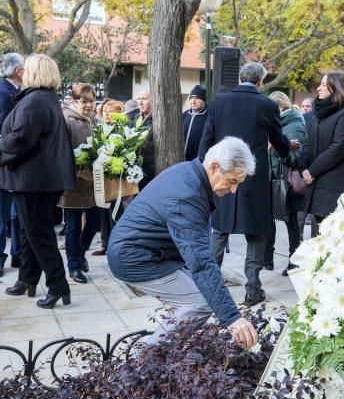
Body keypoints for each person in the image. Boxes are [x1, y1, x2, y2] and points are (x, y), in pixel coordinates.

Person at [108, 137, 259, 348]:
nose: (234, 190)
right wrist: (233, 318)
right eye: (232, 181)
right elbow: (201, 263)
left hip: (146, 252)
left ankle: (168, 355)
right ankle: (145, 364)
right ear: (214, 167)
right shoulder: (187, 198)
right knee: (199, 303)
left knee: (202, 294)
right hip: (134, 258)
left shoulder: (191, 173)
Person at [198, 62, 296, 307]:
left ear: (240, 77)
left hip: (222, 174)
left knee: (219, 230)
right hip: (253, 177)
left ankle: (208, 287)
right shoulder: (267, 104)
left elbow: (206, 139)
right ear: (261, 81)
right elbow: (278, 140)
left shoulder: (219, 102)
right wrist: (287, 149)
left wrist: (204, 170)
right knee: (256, 233)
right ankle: (253, 290)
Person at [0, 54, 75, 309]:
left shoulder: (34, 101)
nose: (21, 72)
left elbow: (20, 139)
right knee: (27, 230)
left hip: (34, 180)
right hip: (39, 178)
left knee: (38, 233)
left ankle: (57, 285)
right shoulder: (45, 98)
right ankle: (27, 279)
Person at [300, 72, 344, 233]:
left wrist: (312, 171)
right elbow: (307, 143)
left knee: (330, 240)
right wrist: (303, 168)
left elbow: (338, 148)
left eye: (324, 84)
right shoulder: (317, 115)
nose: (319, 88)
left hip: (334, 186)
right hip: (315, 184)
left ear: (337, 87)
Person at [59, 82, 101, 284]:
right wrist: (79, 171)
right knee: (73, 225)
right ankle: (74, 266)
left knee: (95, 221)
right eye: (84, 101)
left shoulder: (96, 121)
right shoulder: (66, 120)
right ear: (74, 101)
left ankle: (81, 252)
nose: (89, 105)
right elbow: (61, 152)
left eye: (92, 101)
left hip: (94, 185)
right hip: (72, 183)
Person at [0, 52, 24, 278]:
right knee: (1, 215)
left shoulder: (14, 90)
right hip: (5, 164)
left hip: (16, 164)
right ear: (18, 71)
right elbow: (3, 133)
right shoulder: (3, 93)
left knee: (16, 214)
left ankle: (17, 254)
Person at [264, 91, 306, 275]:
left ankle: (294, 261)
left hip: (286, 179)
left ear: (280, 107)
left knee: (291, 221)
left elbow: (295, 157)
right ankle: (267, 260)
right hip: (272, 177)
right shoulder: (276, 123)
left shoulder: (295, 124)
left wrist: (279, 147)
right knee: (268, 219)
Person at [93, 100, 125, 257]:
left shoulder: (121, 130)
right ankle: (105, 243)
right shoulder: (100, 129)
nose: (106, 113)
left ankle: (115, 245)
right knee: (103, 212)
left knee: (115, 212)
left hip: (115, 177)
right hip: (102, 177)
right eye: (105, 110)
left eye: (110, 111)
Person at [182, 85, 209, 162]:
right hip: (183, 160)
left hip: (199, 161)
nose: (193, 101)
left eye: (197, 98)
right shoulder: (185, 115)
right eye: (191, 98)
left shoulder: (209, 116)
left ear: (204, 100)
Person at [136, 88, 155, 190]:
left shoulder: (157, 119)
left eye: (144, 98)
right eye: (138, 98)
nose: (140, 102)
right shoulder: (135, 118)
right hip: (135, 171)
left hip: (150, 172)